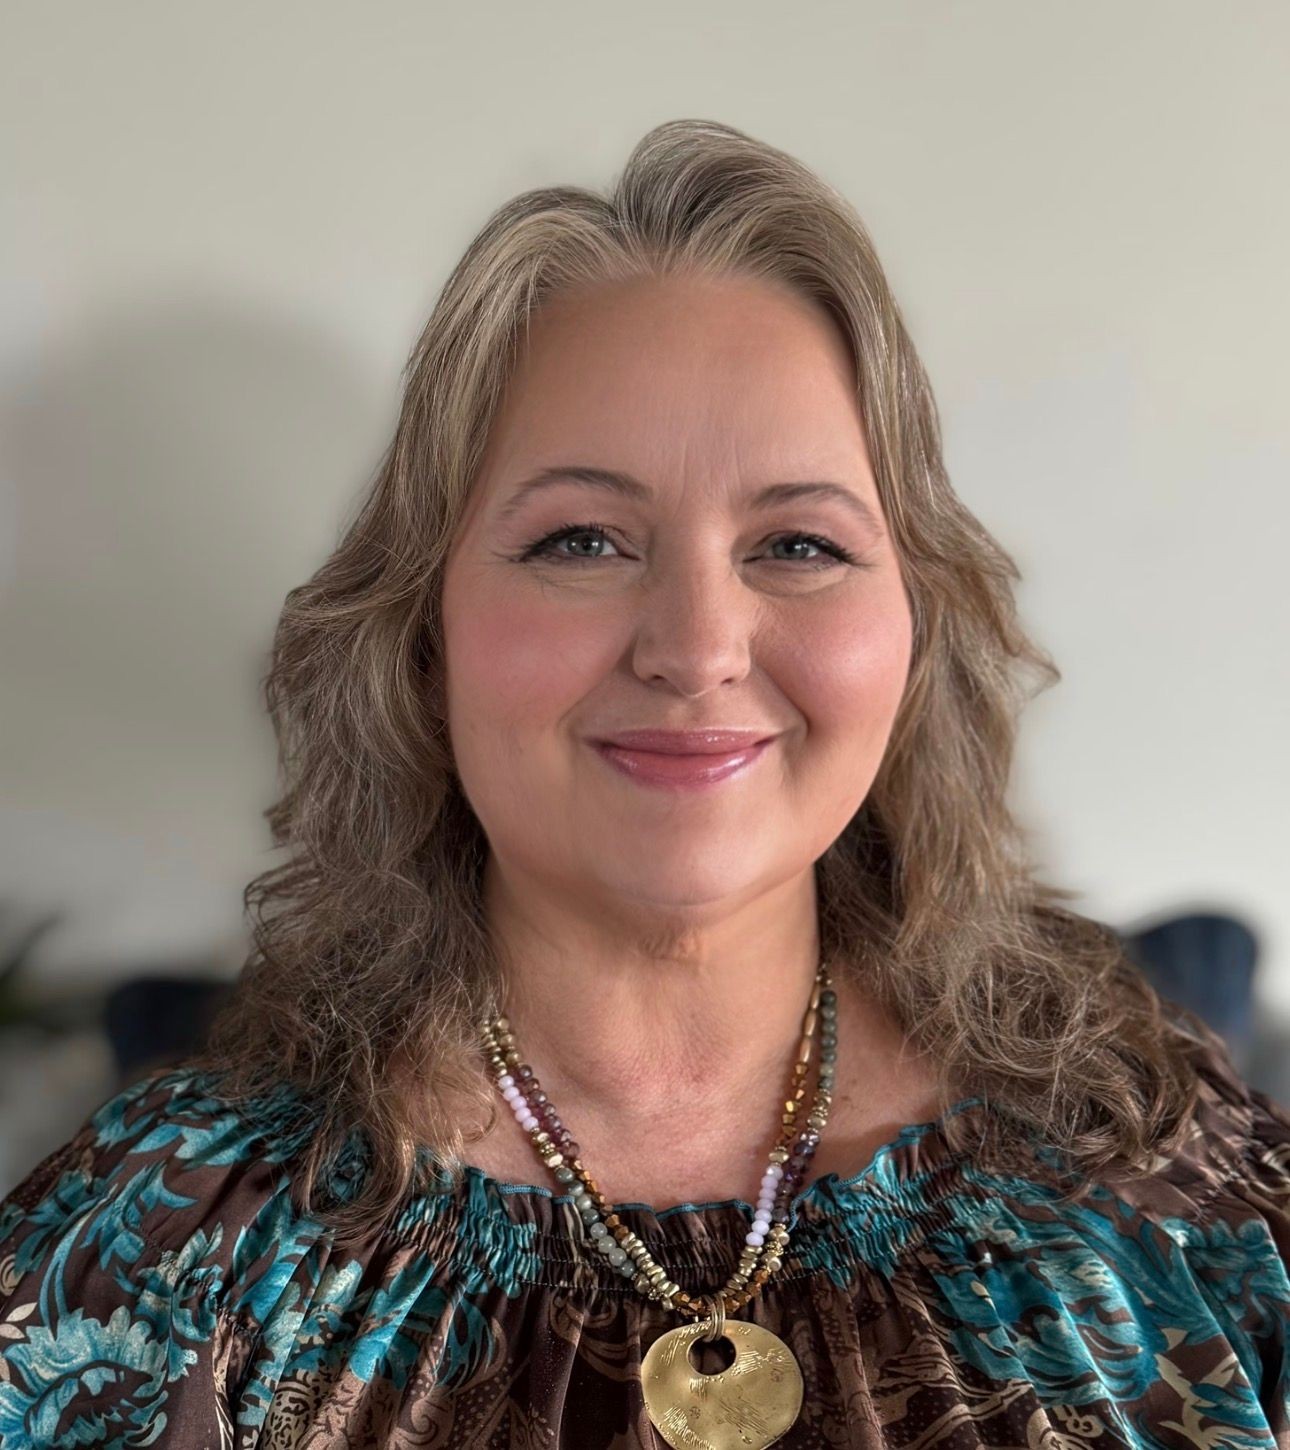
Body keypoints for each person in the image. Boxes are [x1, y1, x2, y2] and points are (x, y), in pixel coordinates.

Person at [1, 117, 1287, 1450]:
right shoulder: (161, 1248)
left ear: (917, 629)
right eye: (580, 539)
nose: (694, 646)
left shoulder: (1160, 1163)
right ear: (422, 630)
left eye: (796, 541)